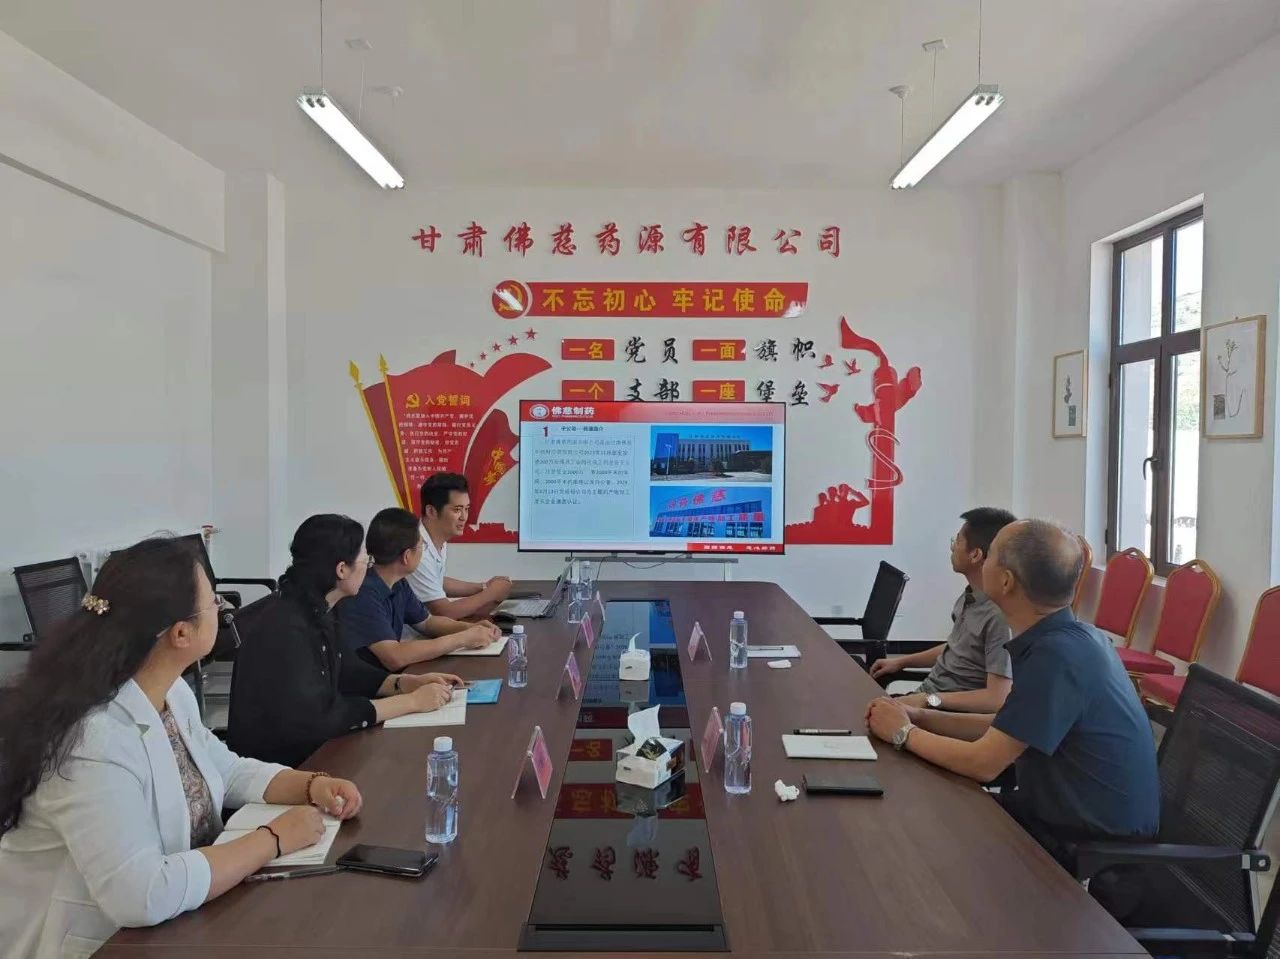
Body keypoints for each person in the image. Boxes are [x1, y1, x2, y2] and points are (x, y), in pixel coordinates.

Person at [0, 537, 363, 958]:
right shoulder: (92, 740)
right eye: (213, 603)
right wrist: (273, 839)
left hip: (179, 920)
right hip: (100, 943)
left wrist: (310, 784)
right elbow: (141, 893)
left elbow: (224, 768)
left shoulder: (169, 691)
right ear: (181, 633)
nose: (221, 611)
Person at [866, 519, 1159, 857]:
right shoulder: (1071, 637)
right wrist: (919, 716)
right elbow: (1007, 728)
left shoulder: (1057, 656)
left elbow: (983, 763)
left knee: (917, 831)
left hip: (1087, 841)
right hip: (1059, 814)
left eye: (990, 555)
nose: (983, 561)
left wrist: (903, 733)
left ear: (1006, 581)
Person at [226, 514, 466, 767]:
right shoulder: (287, 627)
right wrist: (412, 702)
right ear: (341, 569)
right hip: (282, 764)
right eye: (366, 561)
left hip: (316, 748)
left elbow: (348, 671)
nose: (369, 568)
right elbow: (323, 716)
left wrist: (404, 683)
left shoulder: (319, 607)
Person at [869, 507, 1017, 713]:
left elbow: (997, 699)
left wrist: (928, 700)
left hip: (943, 714)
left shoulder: (999, 616)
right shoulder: (971, 596)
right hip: (926, 699)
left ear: (975, 554)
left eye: (957, 541)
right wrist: (902, 662)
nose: (952, 547)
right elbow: (958, 647)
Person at [338, 507, 500, 671]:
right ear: (407, 556)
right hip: (369, 684)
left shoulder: (399, 584)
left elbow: (427, 623)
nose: (423, 551)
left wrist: (471, 628)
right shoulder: (363, 593)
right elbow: (394, 656)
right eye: (422, 546)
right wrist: (462, 639)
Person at [407, 472, 512, 617]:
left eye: (466, 509)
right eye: (457, 509)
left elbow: (435, 581)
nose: (464, 517)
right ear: (431, 511)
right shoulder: (418, 550)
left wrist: (483, 586)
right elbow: (444, 612)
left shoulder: (436, 537)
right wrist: (491, 593)